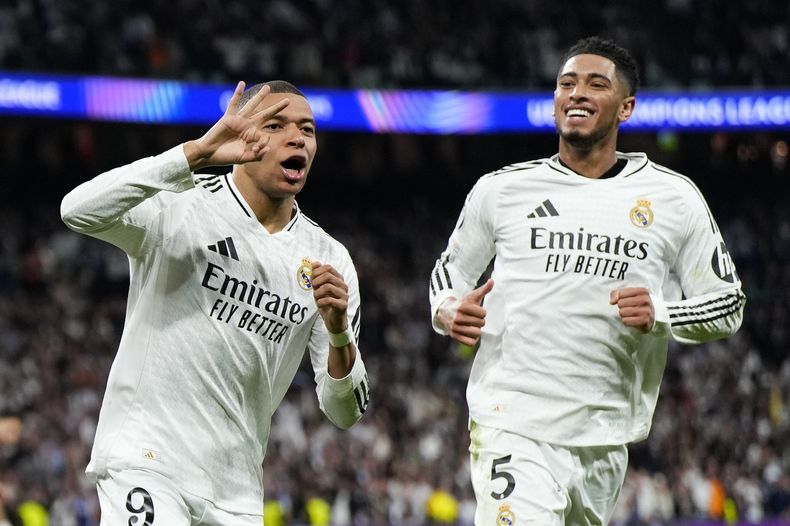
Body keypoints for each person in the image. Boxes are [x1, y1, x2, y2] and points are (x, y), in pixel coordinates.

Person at [429, 36, 745, 526]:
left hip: (605, 436)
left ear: (626, 108)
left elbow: (728, 304)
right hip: (513, 421)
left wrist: (662, 314)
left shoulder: (673, 198)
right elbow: (448, 273)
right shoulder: (502, 189)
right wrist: (446, 307)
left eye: (596, 85)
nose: (576, 93)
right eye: (566, 84)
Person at [61, 80, 371, 525]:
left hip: (236, 494)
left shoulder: (329, 259)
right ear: (244, 133)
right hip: (148, 462)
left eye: (307, 129)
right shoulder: (180, 206)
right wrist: (193, 155)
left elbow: (345, 411)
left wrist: (340, 330)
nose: (296, 137)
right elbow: (76, 210)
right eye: (276, 124)